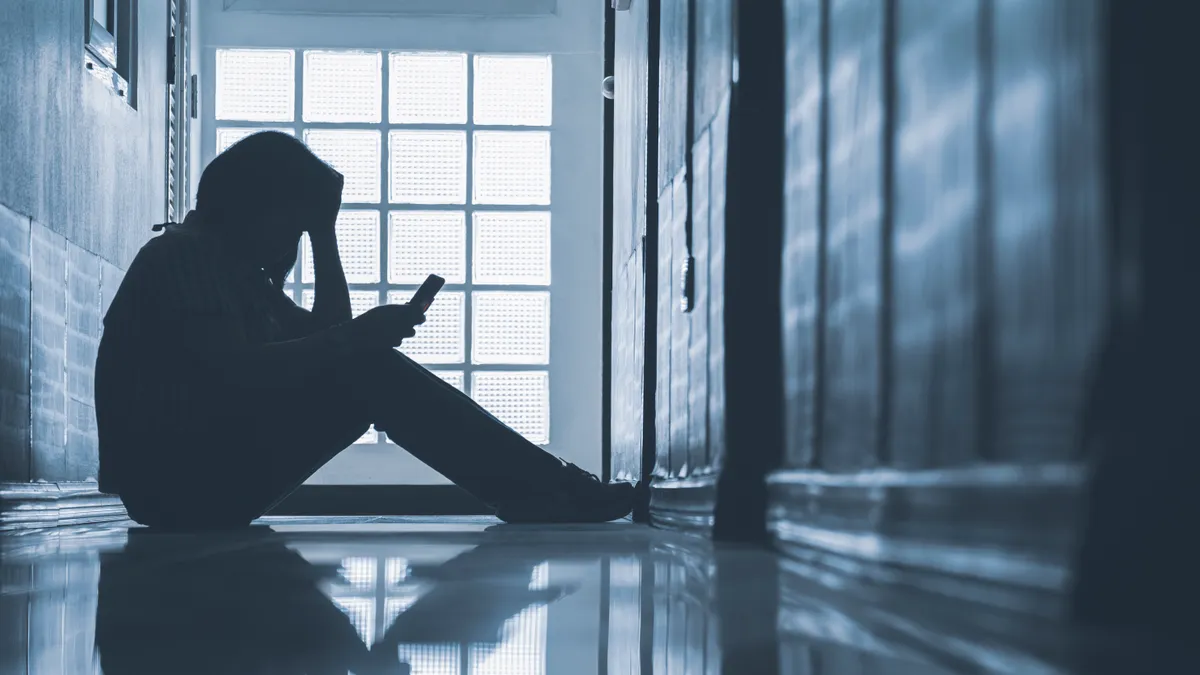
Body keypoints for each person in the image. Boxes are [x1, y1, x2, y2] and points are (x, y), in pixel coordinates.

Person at [94, 131, 634, 529]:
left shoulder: (233, 274)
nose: (293, 240)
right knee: (368, 369)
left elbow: (328, 340)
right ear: (254, 207)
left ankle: (541, 489)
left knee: (362, 365)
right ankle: (546, 489)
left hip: (187, 479)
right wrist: (354, 340)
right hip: (175, 485)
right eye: (294, 221)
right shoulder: (185, 255)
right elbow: (233, 371)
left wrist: (324, 236)